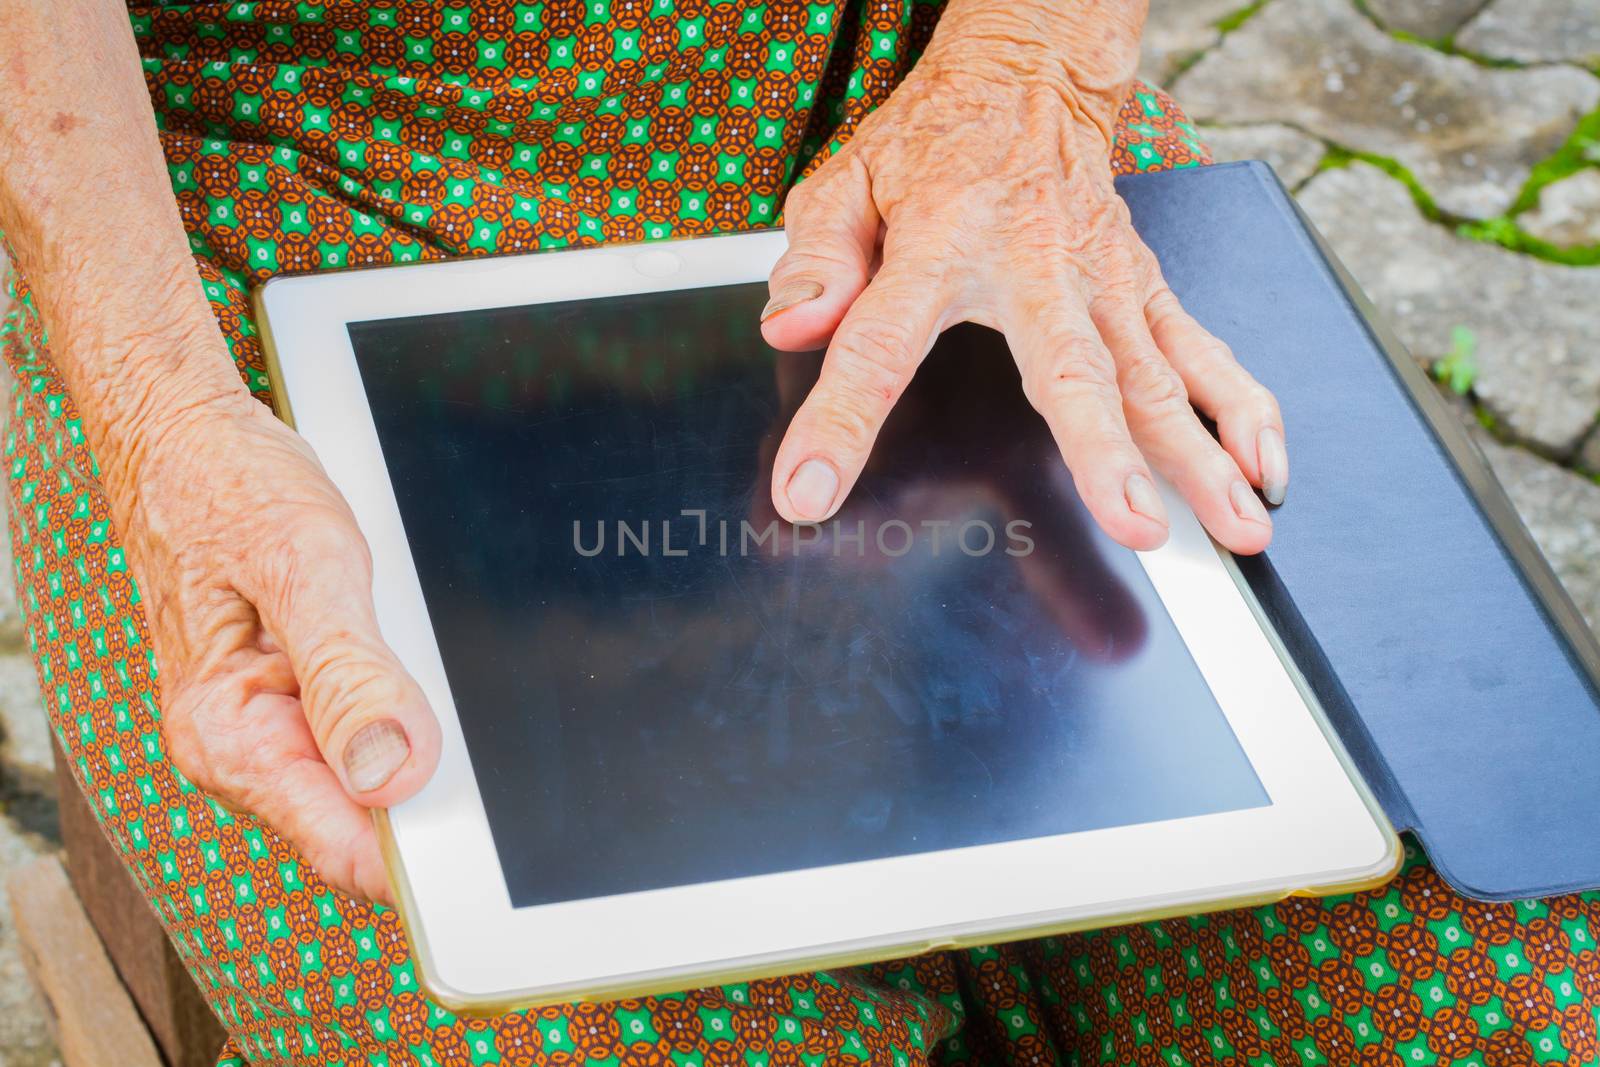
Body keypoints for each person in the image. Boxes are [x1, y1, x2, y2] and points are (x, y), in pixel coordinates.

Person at [0, 1, 1594, 1064]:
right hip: (244, 232)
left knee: (1512, 992)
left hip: (928, 123)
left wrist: (1036, 64)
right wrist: (155, 409)